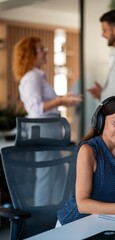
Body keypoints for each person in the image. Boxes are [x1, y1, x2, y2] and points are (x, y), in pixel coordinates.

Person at [12, 36, 82, 206]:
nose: (45, 51)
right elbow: (36, 108)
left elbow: (43, 103)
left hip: (48, 128)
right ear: (31, 54)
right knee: (45, 174)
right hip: (42, 129)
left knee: (58, 173)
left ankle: (63, 212)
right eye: (41, 49)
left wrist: (62, 99)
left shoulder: (38, 76)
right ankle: (40, 217)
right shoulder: (31, 77)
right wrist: (61, 100)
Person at [57, 95, 115, 226]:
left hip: (109, 223)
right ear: (100, 120)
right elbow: (82, 204)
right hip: (77, 224)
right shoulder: (89, 150)